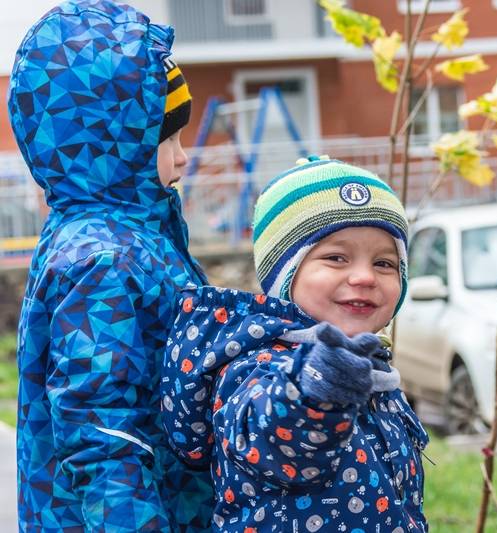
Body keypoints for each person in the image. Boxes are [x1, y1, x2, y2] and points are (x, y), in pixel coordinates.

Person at [8, 0, 213, 530]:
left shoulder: (123, 235)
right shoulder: (103, 260)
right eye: (167, 139)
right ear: (115, 147)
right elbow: (104, 441)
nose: (184, 157)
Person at [162, 156, 430, 532]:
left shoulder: (370, 366)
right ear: (285, 273)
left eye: (385, 263)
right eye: (336, 258)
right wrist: (315, 390)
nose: (365, 276)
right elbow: (278, 440)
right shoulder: (257, 365)